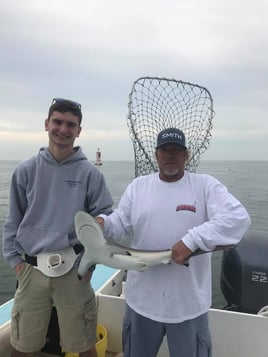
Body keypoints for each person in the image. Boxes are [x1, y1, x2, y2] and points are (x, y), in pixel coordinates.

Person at [95, 127, 251, 357]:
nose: (170, 155)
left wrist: (193, 239)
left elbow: (238, 218)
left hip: (188, 307)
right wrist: (102, 224)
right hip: (141, 303)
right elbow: (120, 224)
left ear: (186, 155)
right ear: (156, 154)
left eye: (176, 150)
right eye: (165, 150)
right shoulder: (139, 187)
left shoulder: (205, 186)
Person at [2, 98, 113, 357]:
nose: (63, 129)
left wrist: (89, 265)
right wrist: (15, 261)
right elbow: (13, 220)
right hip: (30, 268)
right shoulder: (25, 170)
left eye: (70, 125)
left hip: (74, 270)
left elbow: (104, 215)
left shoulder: (90, 174)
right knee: (22, 346)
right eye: (58, 122)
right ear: (46, 124)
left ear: (78, 131)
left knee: (84, 345)